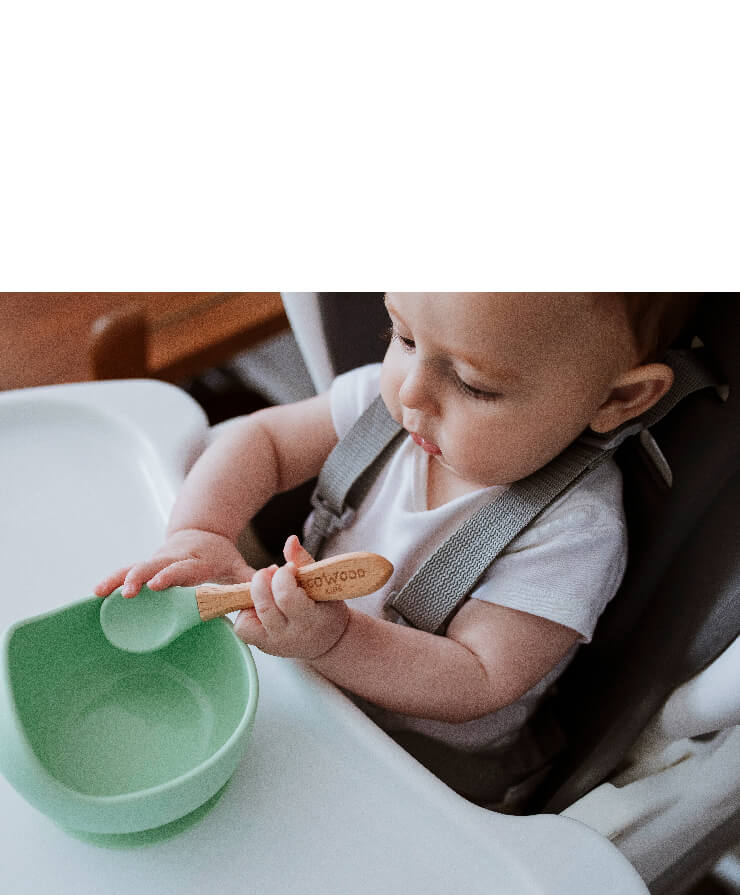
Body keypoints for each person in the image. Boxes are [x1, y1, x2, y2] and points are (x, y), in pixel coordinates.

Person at [94, 293, 698, 808]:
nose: (411, 393)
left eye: (473, 383)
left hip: (426, 757)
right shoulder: (388, 410)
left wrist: (336, 641)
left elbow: (480, 680)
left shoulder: (573, 532)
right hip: (307, 670)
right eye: (403, 336)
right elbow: (264, 441)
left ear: (617, 400)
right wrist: (201, 532)